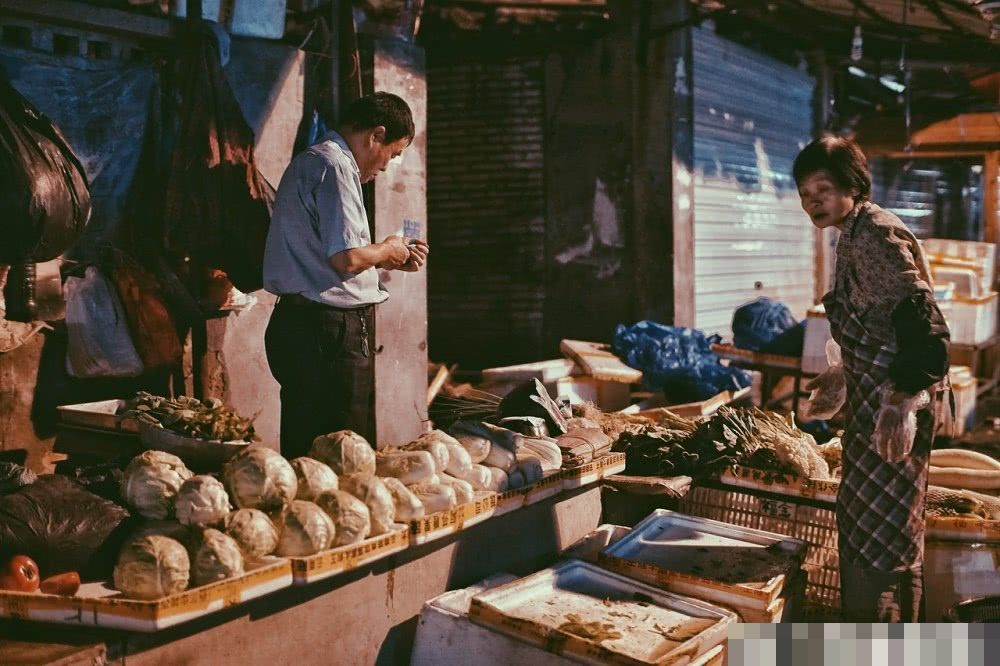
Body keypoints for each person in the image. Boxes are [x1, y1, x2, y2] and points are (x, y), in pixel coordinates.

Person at [794, 136, 950, 623]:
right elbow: (880, 320)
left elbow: (928, 335)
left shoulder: (877, 235)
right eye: (804, 194)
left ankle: (881, 644)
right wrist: (843, 373)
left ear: (851, 185)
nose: (812, 201)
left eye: (822, 188)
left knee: (883, 535)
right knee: (878, 523)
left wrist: (902, 401)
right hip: (873, 403)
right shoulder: (852, 235)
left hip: (894, 406)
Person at [263, 92, 428, 458]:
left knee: (305, 447)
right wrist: (387, 248)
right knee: (344, 455)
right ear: (377, 135)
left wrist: (388, 259)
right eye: (394, 153)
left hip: (301, 324)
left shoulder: (313, 162)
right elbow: (347, 258)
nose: (387, 166)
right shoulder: (335, 165)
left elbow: (329, 255)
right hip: (327, 332)